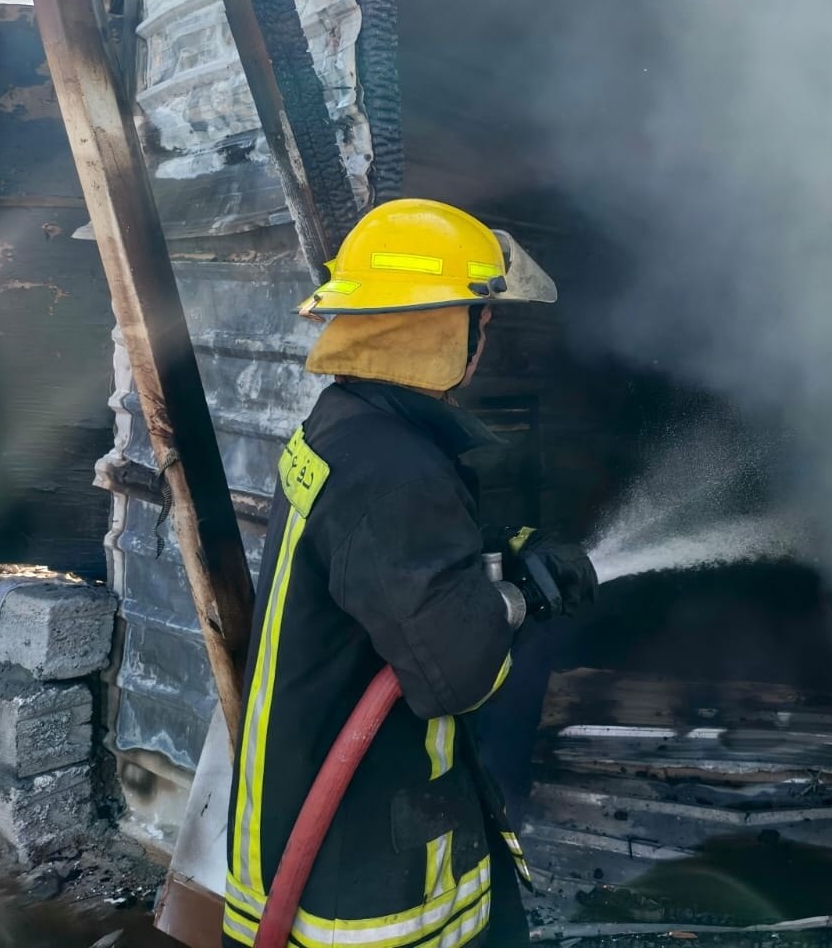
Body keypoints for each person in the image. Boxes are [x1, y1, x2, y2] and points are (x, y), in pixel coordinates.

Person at [223, 199, 597, 948]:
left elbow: (388, 570)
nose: (488, 334)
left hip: (305, 805)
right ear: (446, 326)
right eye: (483, 317)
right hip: (362, 876)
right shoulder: (396, 471)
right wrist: (525, 596)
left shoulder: (346, 424)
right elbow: (458, 672)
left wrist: (503, 553)